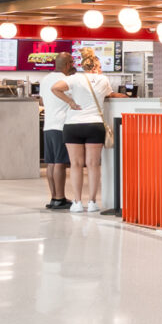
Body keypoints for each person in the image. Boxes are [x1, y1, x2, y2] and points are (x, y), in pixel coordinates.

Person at [49, 48, 107, 212]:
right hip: (94, 125)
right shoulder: (103, 79)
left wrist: (71, 102)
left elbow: (55, 88)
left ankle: (76, 202)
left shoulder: (74, 78)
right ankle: (93, 202)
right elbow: (109, 95)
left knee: (75, 164)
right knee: (93, 165)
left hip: (73, 124)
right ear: (97, 66)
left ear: (82, 65)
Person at [38, 52, 72, 210]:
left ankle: (53, 197)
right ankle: (60, 198)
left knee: (51, 163)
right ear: (68, 64)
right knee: (60, 163)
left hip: (48, 125)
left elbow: (42, 101)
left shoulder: (45, 79)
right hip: (61, 125)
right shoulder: (67, 81)